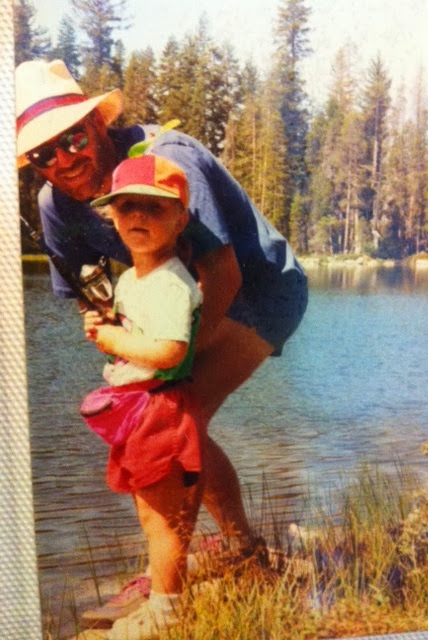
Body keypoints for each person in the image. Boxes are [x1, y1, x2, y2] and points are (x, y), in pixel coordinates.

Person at [16, 59, 308, 622]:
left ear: (97, 124)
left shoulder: (167, 160)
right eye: (45, 154)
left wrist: (168, 364)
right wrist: (116, 336)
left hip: (262, 289)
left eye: (72, 139)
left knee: (172, 418)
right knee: (166, 417)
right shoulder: (56, 206)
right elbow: (88, 291)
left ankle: (167, 585)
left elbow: (223, 272)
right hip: (178, 303)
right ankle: (240, 550)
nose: (64, 160)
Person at [80, 154, 204, 638]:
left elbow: (170, 351)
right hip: (138, 408)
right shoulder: (132, 279)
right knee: (150, 514)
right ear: (112, 215)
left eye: (154, 207)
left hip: (160, 409)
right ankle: (165, 596)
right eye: (126, 206)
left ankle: (168, 613)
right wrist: (105, 326)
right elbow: (138, 335)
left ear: (180, 219)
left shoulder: (171, 282)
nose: (138, 216)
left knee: (162, 522)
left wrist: (115, 340)